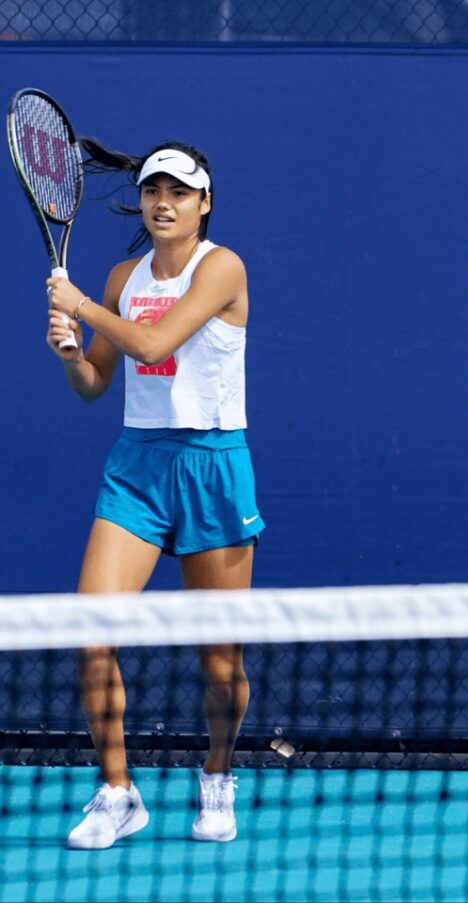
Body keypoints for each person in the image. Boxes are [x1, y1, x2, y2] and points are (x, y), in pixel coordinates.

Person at [45, 140, 264, 850]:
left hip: (212, 466)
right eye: (152, 191)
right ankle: (118, 791)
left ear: (205, 203)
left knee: (221, 666)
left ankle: (218, 773)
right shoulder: (122, 277)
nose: (163, 204)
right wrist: (72, 352)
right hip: (138, 467)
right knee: (89, 631)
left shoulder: (222, 267)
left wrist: (82, 306)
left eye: (179, 192)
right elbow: (96, 385)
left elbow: (152, 344)